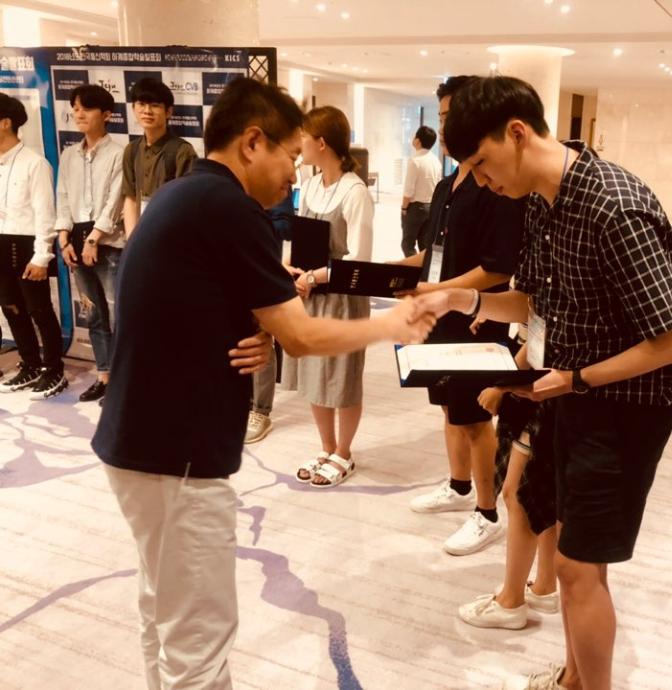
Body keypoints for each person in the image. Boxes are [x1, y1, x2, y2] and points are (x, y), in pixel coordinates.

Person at [92, 77, 433, 690]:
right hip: (178, 457)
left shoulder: (185, 194)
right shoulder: (230, 208)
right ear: (253, 142)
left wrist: (252, 328)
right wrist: (393, 324)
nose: (293, 175)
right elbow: (300, 334)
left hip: (142, 443)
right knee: (199, 639)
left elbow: (191, 301)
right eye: (290, 155)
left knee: (164, 612)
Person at [419, 75, 672, 690]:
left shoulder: (614, 206)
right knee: (569, 550)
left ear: (517, 133)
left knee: (575, 567)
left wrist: (575, 379)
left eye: (483, 163)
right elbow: (534, 302)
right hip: (573, 394)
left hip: (626, 409)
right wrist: (463, 299)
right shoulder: (542, 203)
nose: (482, 180)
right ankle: (574, 677)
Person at [396, 76, 525, 557]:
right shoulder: (448, 184)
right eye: (443, 117)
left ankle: (487, 513)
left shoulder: (495, 186)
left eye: (453, 117)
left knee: (475, 417)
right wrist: (393, 271)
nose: (447, 127)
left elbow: (498, 268)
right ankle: (459, 485)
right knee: (449, 407)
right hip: (441, 312)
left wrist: (440, 292)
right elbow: (433, 254)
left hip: (477, 316)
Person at [280, 106, 374, 488]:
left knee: (343, 376)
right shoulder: (311, 184)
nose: (298, 143)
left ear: (321, 143)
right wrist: (292, 268)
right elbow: (300, 236)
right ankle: (327, 447)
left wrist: (316, 276)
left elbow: (361, 259)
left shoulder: (355, 191)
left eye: (303, 136)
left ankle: (344, 453)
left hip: (343, 297)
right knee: (314, 373)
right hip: (311, 294)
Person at [458, 325, 559, 631]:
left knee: (519, 495)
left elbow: (545, 329)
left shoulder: (561, 298)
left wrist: (502, 385)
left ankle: (511, 601)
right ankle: (545, 586)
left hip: (543, 390)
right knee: (544, 495)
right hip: (543, 383)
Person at [55, 83, 125, 403]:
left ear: (106, 114)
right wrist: (63, 238)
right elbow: (63, 197)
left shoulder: (119, 153)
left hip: (108, 242)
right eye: (75, 108)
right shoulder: (69, 154)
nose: (78, 113)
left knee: (119, 314)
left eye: (86, 108)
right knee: (93, 313)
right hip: (76, 241)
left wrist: (95, 238)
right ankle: (104, 375)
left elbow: (115, 199)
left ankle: (125, 380)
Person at [0, 93, 66, 399]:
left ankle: (53, 369)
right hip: (1, 243)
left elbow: (45, 214)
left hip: (27, 245)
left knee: (39, 310)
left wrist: (42, 256)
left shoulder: (35, 163)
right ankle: (29, 363)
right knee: (11, 308)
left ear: (5, 123)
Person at [244, 186, 295, 444]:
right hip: (231, 268)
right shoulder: (227, 183)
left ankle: (261, 411)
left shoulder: (273, 180)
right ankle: (243, 404)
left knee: (262, 335)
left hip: (264, 269)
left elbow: (286, 224)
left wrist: (250, 225)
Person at [121, 77, 196, 238]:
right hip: (140, 236)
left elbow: (186, 206)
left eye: (155, 105)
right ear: (133, 108)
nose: (147, 111)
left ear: (168, 112)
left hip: (170, 237)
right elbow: (131, 198)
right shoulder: (131, 150)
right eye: (141, 104)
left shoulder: (182, 151)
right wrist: (132, 241)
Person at [400, 124, 441, 256]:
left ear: (417, 141)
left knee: (407, 244)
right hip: (431, 207)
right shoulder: (436, 161)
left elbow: (409, 190)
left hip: (415, 209)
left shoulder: (415, 161)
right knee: (425, 245)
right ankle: (424, 268)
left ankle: (414, 268)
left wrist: (404, 208)